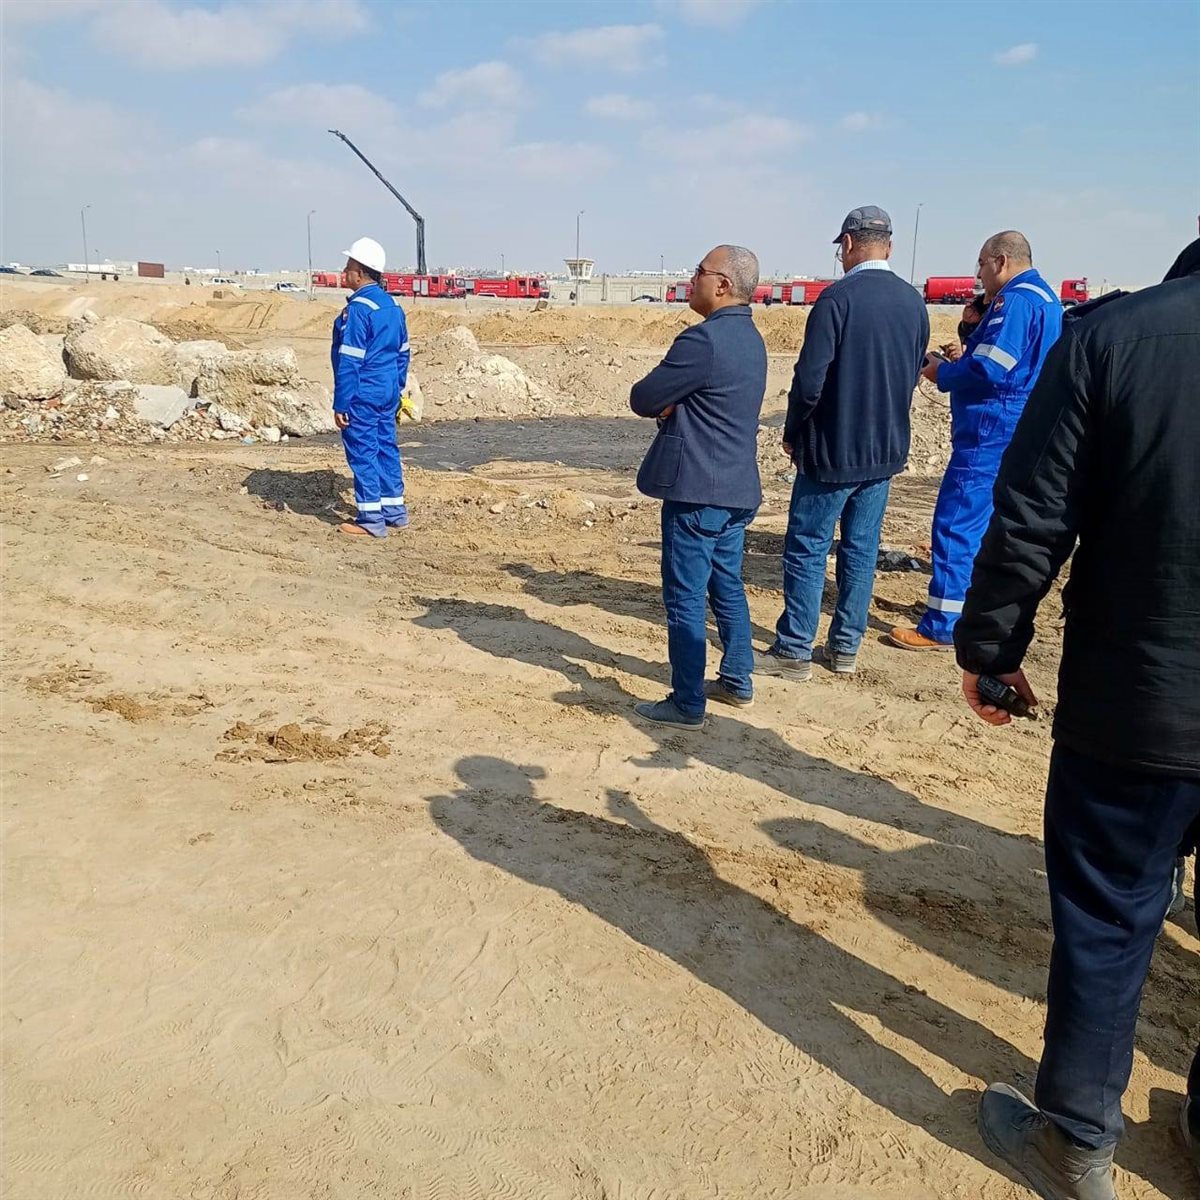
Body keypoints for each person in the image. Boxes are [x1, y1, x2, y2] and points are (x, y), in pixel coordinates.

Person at [955, 239, 1200, 1198]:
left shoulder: (1116, 338)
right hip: (1143, 699)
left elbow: (1033, 514)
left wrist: (990, 648)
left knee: (1109, 920)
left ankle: (1077, 1140)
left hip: (1140, 707)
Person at [757, 206, 928, 681]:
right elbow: (913, 372)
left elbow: (809, 380)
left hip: (832, 451)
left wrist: (793, 432)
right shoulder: (913, 302)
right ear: (889, 246)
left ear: (848, 244)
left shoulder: (837, 300)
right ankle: (846, 647)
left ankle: (794, 649)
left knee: (808, 547)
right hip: (884, 451)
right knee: (861, 549)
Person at [888, 231, 1062, 650]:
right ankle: (966, 605)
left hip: (990, 429)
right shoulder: (1045, 298)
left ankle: (943, 623)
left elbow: (992, 369)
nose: (979, 275)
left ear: (1000, 261)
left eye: (982, 265)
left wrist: (942, 373)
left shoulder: (1015, 301)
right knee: (985, 524)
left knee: (956, 522)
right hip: (1018, 425)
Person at [628, 244, 767, 729]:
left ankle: (687, 702)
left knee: (685, 596)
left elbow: (644, 397)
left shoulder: (703, 341)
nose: (691, 280)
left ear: (723, 284)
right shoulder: (751, 337)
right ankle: (737, 679)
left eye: (699, 272)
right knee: (726, 584)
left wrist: (672, 404)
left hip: (697, 493)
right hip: (737, 489)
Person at [331, 236, 410, 538]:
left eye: (348, 266)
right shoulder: (393, 305)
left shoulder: (359, 310)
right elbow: (403, 353)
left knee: (363, 452)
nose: (344, 271)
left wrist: (341, 403)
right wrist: (396, 387)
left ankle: (371, 519)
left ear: (360, 272)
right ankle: (394, 511)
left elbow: (349, 361)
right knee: (386, 448)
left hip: (363, 392)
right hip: (387, 391)